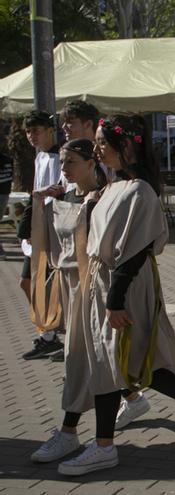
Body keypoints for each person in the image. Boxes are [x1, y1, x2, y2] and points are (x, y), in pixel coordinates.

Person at [57, 115, 175, 476]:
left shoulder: (140, 190)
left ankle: (104, 446)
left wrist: (115, 299)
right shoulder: (114, 186)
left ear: (125, 145)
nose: (96, 148)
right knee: (124, 361)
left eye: (101, 142)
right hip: (104, 281)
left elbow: (136, 251)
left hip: (125, 285)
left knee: (118, 361)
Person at [28, 139, 104, 463]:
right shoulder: (64, 197)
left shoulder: (104, 197)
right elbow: (47, 244)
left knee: (92, 359)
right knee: (87, 360)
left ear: (90, 163)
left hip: (98, 288)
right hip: (72, 287)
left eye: (70, 161)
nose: (63, 169)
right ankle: (78, 434)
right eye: (62, 162)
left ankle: (76, 435)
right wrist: (42, 203)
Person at [20, 110, 65, 360]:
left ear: (50, 130)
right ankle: (48, 332)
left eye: (35, 130)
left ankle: (51, 334)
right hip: (37, 226)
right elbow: (36, 193)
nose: (31, 136)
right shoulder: (40, 157)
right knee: (28, 283)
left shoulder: (61, 156)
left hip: (52, 230)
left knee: (45, 285)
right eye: (28, 131)